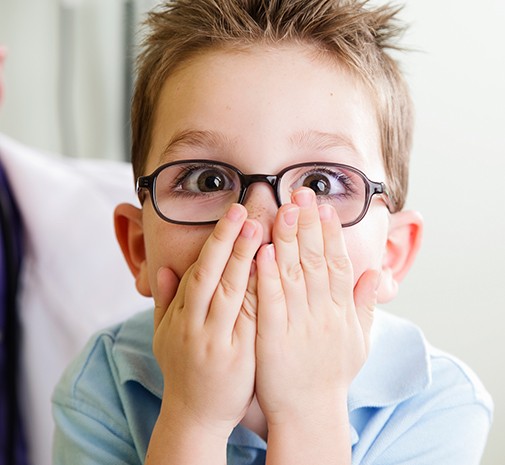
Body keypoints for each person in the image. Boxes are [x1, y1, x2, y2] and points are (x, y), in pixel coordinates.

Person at [52, 0, 493, 464]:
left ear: (390, 253)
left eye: (321, 183)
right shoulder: (102, 387)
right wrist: (192, 418)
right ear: (139, 248)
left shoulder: (437, 403)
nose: (261, 226)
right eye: (208, 180)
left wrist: (310, 411)